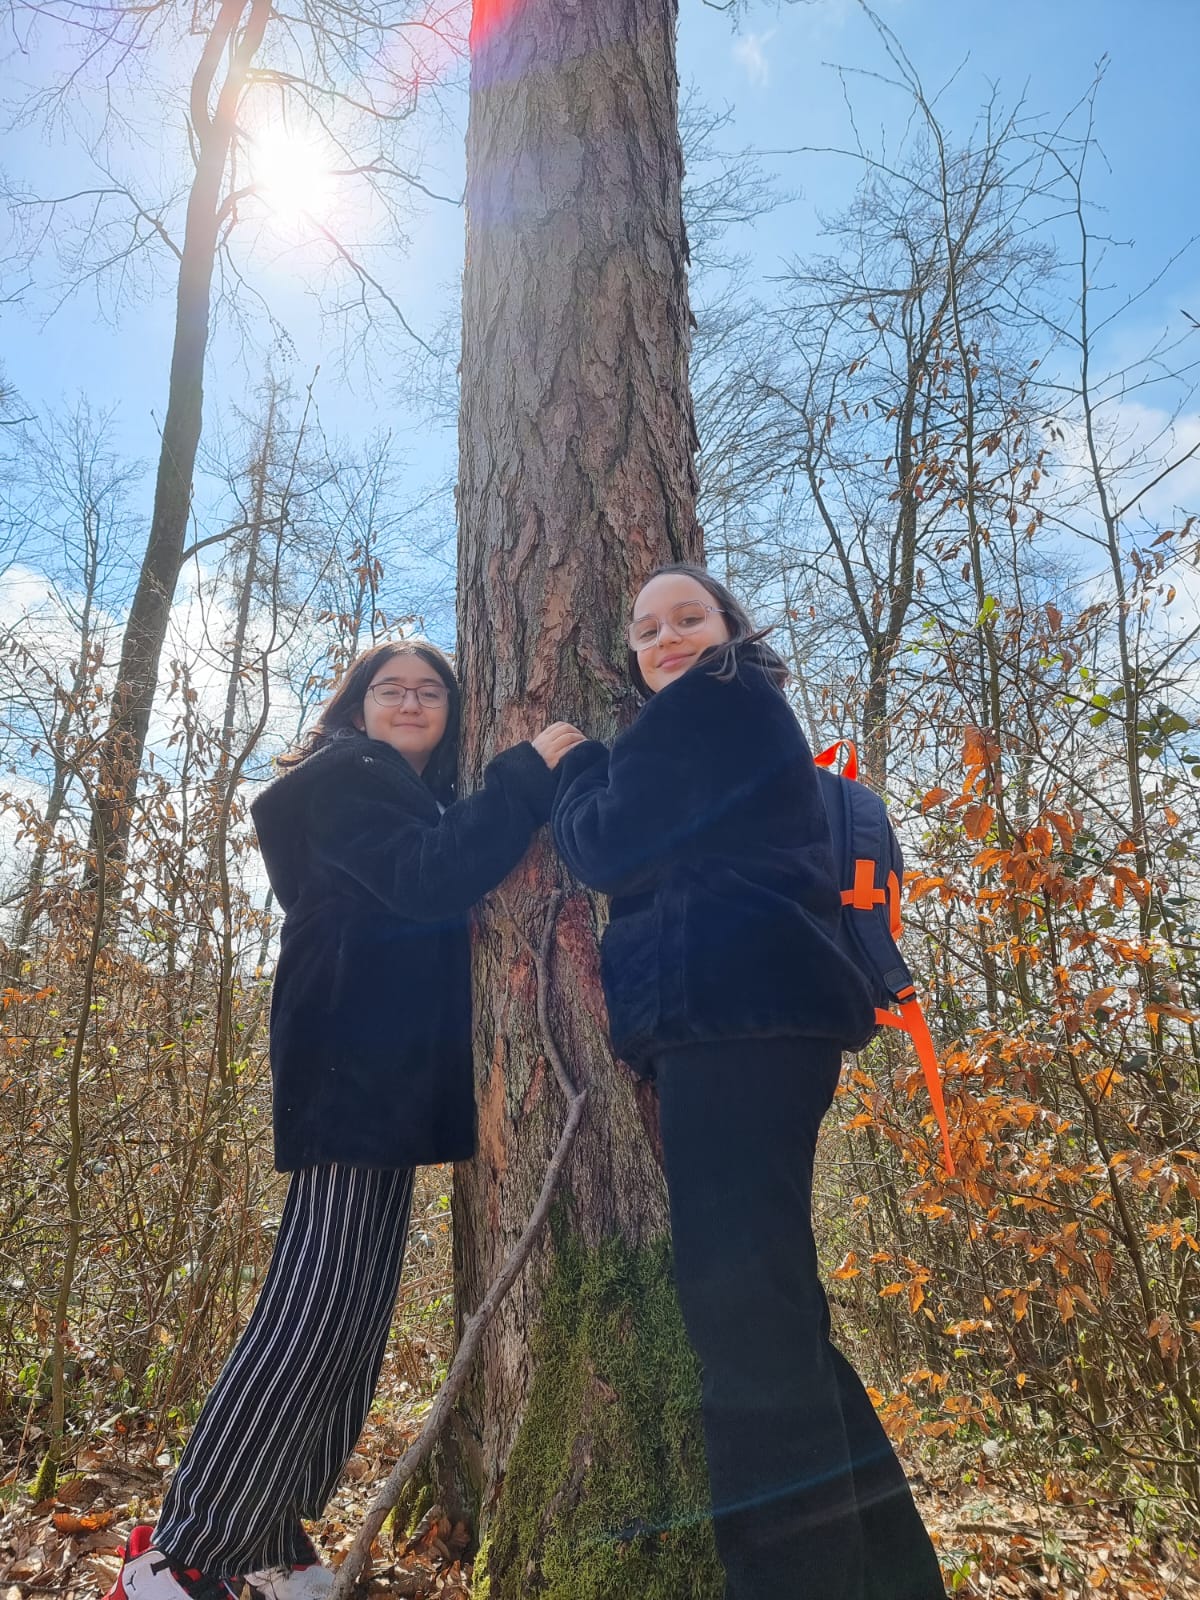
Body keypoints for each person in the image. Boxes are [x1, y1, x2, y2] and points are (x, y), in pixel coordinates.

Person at [107, 639, 583, 1600]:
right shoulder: (345, 780)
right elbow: (425, 878)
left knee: (353, 1315)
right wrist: (527, 777)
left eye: (431, 691)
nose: (411, 702)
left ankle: (270, 1537)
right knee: (312, 1306)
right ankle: (181, 1551)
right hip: (348, 1066)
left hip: (387, 1074)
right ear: (357, 708)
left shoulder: (404, 792)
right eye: (390, 689)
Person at [552, 565, 945, 1600]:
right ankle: (889, 1576)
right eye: (645, 627)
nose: (666, 637)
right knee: (772, 1311)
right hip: (757, 1026)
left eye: (688, 616)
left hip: (737, 1024)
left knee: (741, 1320)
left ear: (729, 627)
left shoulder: (717, 700)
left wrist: (572, 763)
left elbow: (600, 843)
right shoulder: (732, 721)